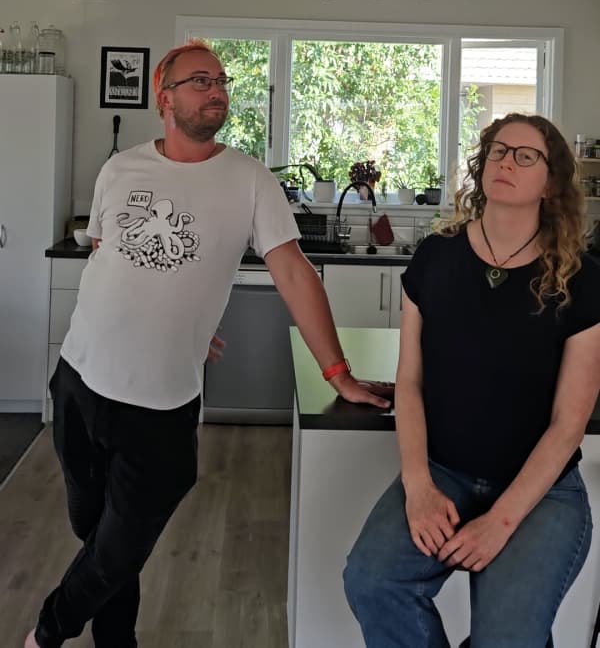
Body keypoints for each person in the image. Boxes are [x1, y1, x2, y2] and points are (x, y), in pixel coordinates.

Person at [26, 40, 388, 648]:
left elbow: (294, 271)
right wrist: (176, 314)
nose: (217, 90)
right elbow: (108, 257)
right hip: (79, 381)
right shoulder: (120, 169)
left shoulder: (248, 178)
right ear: (164, 98)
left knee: (117, 546)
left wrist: (338, 372)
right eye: (201, 81)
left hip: (161, 405)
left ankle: (45, 634)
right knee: (97, 536)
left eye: (221, 80)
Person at [344, 113, 600, 648]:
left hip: (543, 493)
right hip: (443, 472)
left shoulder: (582, 277)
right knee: (372, 581)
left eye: (525, 155)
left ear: (551, 183)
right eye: (498, 151)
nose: (506, 161)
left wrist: (501, 521)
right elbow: (409, 383)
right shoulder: (437, 257)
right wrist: (418, 486)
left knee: (505, 637)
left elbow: (568, 423)